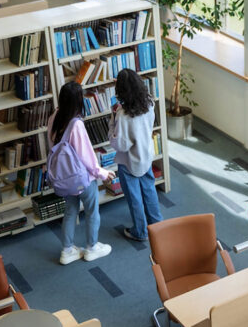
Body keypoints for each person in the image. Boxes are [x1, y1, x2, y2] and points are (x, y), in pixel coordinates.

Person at [47, 81, 115, 265]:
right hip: (81, 179)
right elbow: (87, 157)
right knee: (92, 211)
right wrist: (102, 173)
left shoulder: (54, 116)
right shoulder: (76, 125)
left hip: (63, 179)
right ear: (78, 101)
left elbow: (52, 145)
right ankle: (92, 248)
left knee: (70, 212)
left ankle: (67, 250)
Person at [109, 68, 163, 241]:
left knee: (134, 198)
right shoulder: (149, 104)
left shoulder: (122, 115)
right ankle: (158, 226)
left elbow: (120, 144)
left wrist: (112, 121)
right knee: (149, 190)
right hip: (146, 155)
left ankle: (140, 231)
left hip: (128, 162)